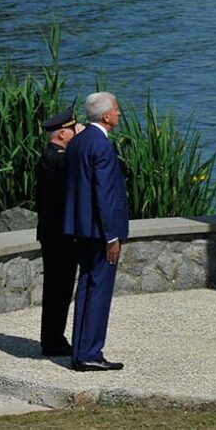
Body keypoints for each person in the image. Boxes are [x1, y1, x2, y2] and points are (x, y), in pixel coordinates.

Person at [63, 92, 130, 371]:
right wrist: (111, 236)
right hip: (100, 232)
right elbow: (104, 193)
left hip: (80, 228)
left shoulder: (78, 141)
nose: (118, 113)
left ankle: (81, 350)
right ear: (106, 116)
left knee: (86, 287)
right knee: (99, 289)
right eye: (116, 109)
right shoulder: (101, 146)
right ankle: (90, 352)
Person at [35, 110, 84, 357]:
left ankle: (54, 337)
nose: (78, 134)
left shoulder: (54, 156)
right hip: (57, 235)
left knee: (61, 287)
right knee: (58, 287)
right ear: (63, 134)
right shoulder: (55, 158)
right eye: (74, 130)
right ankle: (53, 340)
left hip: (57, 233)